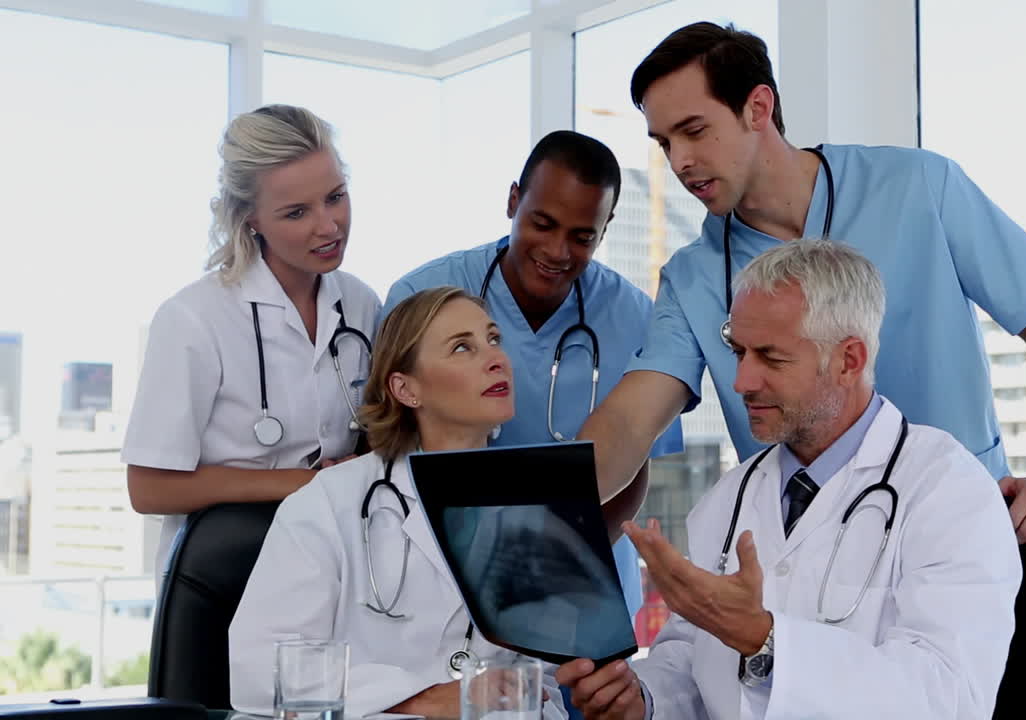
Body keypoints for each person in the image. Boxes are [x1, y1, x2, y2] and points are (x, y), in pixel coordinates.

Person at [576, 22, 1026, 551]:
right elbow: (630, 420)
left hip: (966, 537)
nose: (679, 161)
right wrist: (548, 511)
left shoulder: (918, 186)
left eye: (694, 130)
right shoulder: (691, 277)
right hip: (811, 563)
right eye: (665, 142)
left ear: (757, 108)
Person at [558, 240, 1021, 720]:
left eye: (771, 358)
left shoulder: (948, 490)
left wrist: (765, 639)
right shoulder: (730, 497)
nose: (742, 381)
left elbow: (947, 696)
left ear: (849, 360)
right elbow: (688, 663)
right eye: (739, 352)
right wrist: (642, 699)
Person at [379, 130, 683, 619]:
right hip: (441, 571)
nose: (558, 251)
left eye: (582, 236)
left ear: (604, 229)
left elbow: (633, 467)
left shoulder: (634, 317)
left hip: (583, 579)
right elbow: (390, 444)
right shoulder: (423, 294)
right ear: (513, 201)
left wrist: (559, 569)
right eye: (543, 224)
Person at [229, 286, 566, 719]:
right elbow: (261, 668)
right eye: (462, 347)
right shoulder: (330, 502)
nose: (496, 359)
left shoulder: (535, 510)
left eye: (494, 339)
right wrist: (424, 699)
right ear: (406, 389)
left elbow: (542, 687)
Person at [122, 105, 380, 581]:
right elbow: (149, 488)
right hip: (226, 579)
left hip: (338, 566)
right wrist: (305, 483)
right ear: (250, 218)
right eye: (297, 212)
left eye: (335, 197)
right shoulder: (194, 319)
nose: (329, 226)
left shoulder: (361, 305)